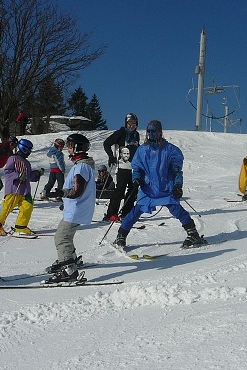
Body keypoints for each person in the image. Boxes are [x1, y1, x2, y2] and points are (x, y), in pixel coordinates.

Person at [113, 120, 207, 249]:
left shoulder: (170, 150)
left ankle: (193, 233)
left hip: (165, 187)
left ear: (160, 132)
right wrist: (136, 178)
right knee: (136, 211)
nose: (151, 134)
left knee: (176, 209)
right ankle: (121, 235)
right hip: (148, 188)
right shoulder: (142, 150)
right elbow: (137, 168)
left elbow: (176, 170)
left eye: (154, 131)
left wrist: (178, 185)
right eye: (149, 131)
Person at [44, 134, 96, 283]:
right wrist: (65, 201)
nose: (68, 148)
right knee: (66, 236)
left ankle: (69, 270)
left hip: (77, 209)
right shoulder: (81, 165)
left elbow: (77, 191)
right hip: (75, 208)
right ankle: (70, 259)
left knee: (61, 237)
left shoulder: (82, 167)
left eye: (71, 145)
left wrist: (62, 193)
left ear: (78, 147)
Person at [0, 138, 44, 235]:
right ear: (23, 148)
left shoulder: (26, 162)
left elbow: (29, 176)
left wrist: (36, 174)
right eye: (28, 150)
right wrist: (18, 176)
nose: (29, 152)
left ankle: (21, 227)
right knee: (7, 206)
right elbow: (8, 171)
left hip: (25, 190)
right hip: (14, 188)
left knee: (28, 206)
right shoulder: (13, 158)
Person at [102, 113, 140, 222]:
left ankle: (126, 213)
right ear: (126, 123)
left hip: (133, 168)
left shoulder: (136, 135)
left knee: (133, 191)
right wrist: (111, 156)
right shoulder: (120, 133)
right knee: (120, 190)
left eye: (134, 123)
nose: (132, 126)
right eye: (129, 123)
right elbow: (106, 143)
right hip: (122, 167)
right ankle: (111, 214)